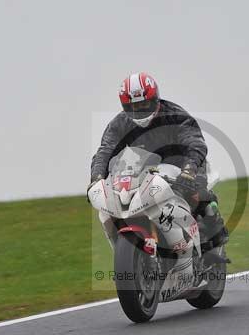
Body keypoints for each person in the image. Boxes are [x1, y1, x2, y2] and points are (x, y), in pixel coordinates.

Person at [88, 72, 228, 252]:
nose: (140, 110)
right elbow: (105, 151)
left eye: (145, 103)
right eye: (133, 106)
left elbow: (195, 143)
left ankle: (215, 233)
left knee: (196, 193)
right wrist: (97, 177)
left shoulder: (175, 115)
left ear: (155, 99)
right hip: (147, 169)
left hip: (185, 163)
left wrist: (188, 171)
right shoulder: (119, 123)